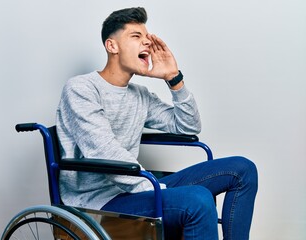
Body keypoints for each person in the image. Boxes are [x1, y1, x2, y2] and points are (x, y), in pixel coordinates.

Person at [56, 7, 258, 240]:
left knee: (243, 169)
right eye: (136, 37)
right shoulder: (81, 88)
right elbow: (103, 150)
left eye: (147, 37)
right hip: (99, 200)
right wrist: (157, 190)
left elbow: (187, 127)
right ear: (112, 46)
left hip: (137, 187)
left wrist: (174, 79)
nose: (147, 43)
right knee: (198, 199)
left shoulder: (140, 95)